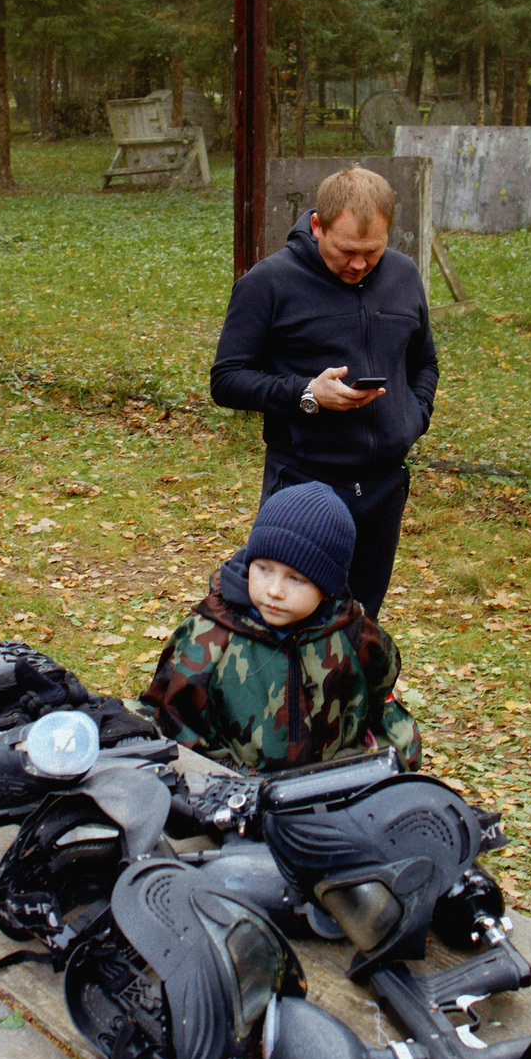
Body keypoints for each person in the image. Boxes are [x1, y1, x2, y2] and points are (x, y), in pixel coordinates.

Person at [209, 165, 438, 617]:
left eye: (372, 253)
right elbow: (227, 379)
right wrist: (307, 394)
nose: (358, 264)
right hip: (303, 481)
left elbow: (424, 361)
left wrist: (414, 418)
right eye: (346, 251)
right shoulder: (269, 282)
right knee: (288, 614)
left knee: (360, 614)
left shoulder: (404, 275)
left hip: (383, 486)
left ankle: (357, 687)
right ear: (317, 226)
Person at [140, 482, 419, 772]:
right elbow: (169, 718)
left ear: (327, 589)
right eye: (263, 569)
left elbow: (384, 710)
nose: (274, 590)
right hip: (227, 792)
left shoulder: (357, 636)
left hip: (330, 793)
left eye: (295, 579)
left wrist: (383, 763)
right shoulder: (207, 635)